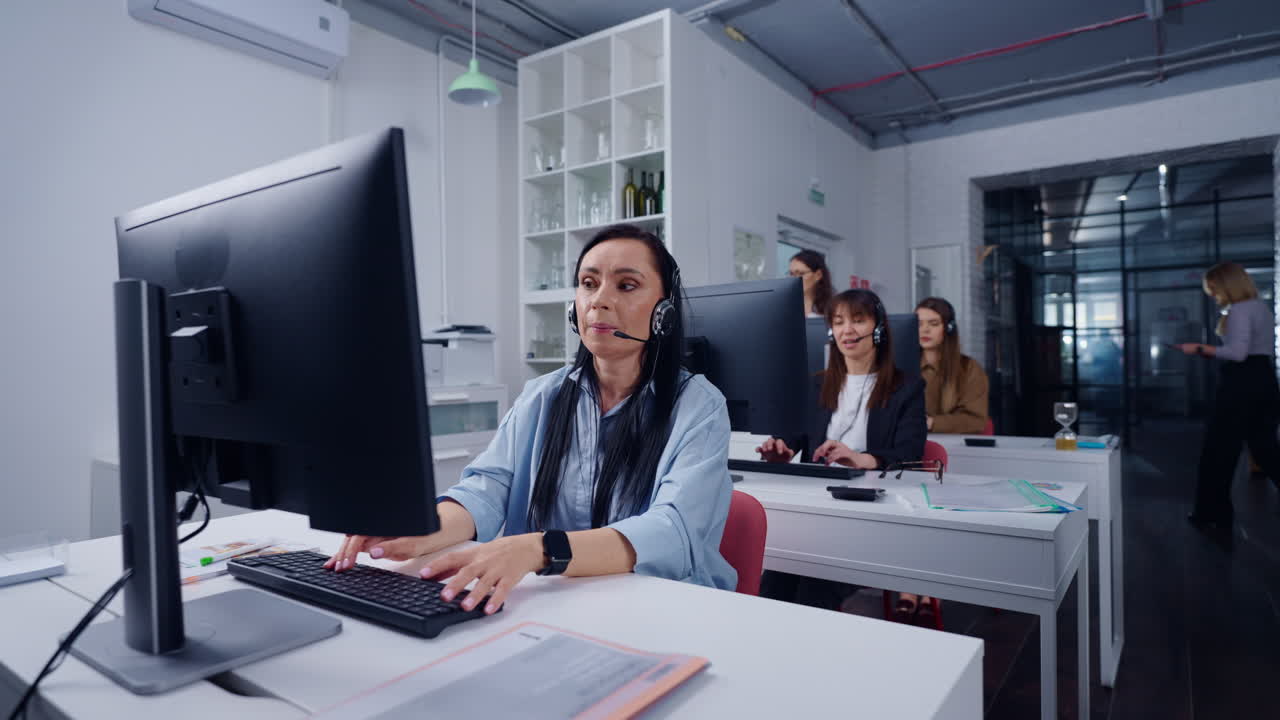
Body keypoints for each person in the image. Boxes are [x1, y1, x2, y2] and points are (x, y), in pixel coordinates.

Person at [326, 225, 737, 614]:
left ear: (664, 311)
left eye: (626, 285)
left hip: (662, 609)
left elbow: (673, 531)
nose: (599, 301)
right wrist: (416, 529)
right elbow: (487, 491)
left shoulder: (699, 408)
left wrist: (539, 549)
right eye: (589, 284)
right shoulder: (542, 396)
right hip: (555, 603)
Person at [755, 288, 927, 609]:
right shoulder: (818, 384)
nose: (847, 330)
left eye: (858, 320)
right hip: (817, 511)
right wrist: (781, 451)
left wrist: (863, 459)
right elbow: (794, 438)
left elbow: (910, 453)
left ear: (878, 329)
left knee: (813, 590)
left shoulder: (907, 388)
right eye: (838, 322)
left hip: (871, 517)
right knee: (774, 585)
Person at [1176, 261, 1280, 540]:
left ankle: (1211, 516)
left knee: (1217, 453)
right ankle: (1213, 515)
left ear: (1225, 285)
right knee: (1266, 449)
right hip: (1264, 381)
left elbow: (1237, 353)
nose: (1211, 293)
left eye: (1212, 287)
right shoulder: (1260, 307)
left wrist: (1198, 348)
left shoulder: (1239, 310)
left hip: (1241, 385)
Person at [916, 297, 990, 434]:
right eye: (919, 324)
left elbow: (976, 420)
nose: (924, 330)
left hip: (955, 447)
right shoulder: (902, 366)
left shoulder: (968, 368)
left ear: (948, 328)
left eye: (933, 323)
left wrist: (932, 423)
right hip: (908, 445)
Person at [788, 249, 836, 318]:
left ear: (818, 275)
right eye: (791, 274)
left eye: (801, 273)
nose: (795, 279)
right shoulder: (781, 306)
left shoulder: (834, 309)